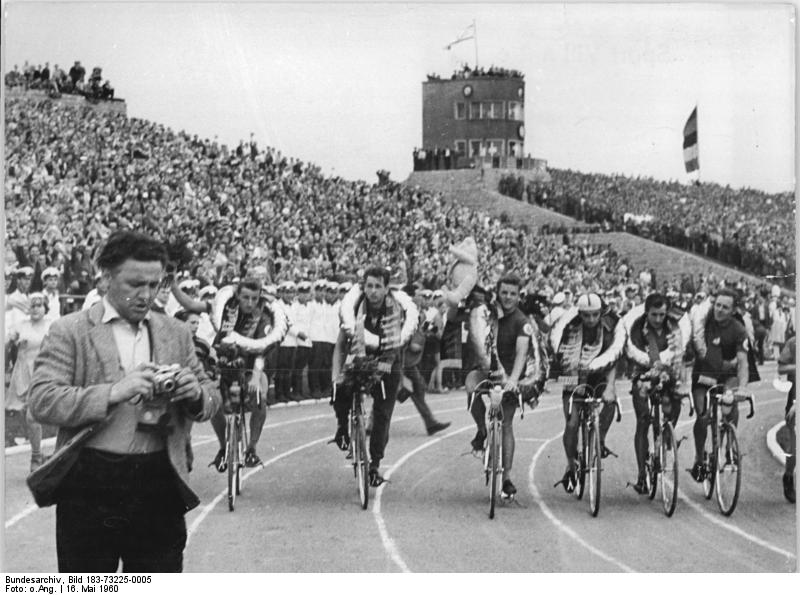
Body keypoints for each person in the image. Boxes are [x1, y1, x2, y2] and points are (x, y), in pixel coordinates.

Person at [28, 230, 220, 573]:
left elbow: (211, 397)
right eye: (134, 284)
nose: (146, 294)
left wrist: (196, 394)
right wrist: (114, 392)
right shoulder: (69, 330)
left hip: (159, 477)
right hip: (91, 479)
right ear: (106, 278)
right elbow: (42, 400)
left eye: (154, 284)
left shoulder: (175, 332)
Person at [332, 266, 418, 487]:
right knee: (340, 390)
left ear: (386, 288)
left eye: (378, 286)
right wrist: (336, 375)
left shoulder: (396, 310)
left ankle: (375, 465)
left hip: (388, 362)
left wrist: (380, 369)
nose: (373, 291)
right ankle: (342, 427)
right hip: (359, 357)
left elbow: (396, 349)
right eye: (369, 286)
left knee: (382, 414)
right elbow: (341, 344)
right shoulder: (354, 307)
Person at [465, 274, 545, 498]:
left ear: (518, 296)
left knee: (507, 423)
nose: (508, 297)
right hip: (486, 370)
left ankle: (507, 477)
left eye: (512, 293)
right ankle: (482, 430)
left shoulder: (522, 322)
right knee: (470, 387)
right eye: (504, 293)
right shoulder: (489, 312)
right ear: (498, 293)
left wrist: (513, 380)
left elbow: (521, 354)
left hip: (510, 375)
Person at [207, 277, 288, 469]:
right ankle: (222, 446)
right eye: (245, 297)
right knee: (212, 398)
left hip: (254, 363)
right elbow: (192, 305)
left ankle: (252, 448)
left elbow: (262, 349)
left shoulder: (264, 315)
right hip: (225, 359)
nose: (250, 303)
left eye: (254, 298)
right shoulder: (227, 307)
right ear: (237, 295)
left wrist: (256, 376)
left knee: (260, 397)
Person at [550, 292, 626, 493]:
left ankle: (599, 440)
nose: (591, 320)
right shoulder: (569, 329)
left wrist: (610, 388)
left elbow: (613, 360)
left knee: (610, 402)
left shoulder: (609, 330)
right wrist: (572, 382)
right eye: (586, 315)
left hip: (599, 376)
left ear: (600, 314)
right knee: (572, 422)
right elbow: (561, 361)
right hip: (573, 377)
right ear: (580, 315)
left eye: (594, 315)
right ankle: (570, 463)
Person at [621, 293, 690, 494]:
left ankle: (666, 434)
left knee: (676, 402)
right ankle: (642, 474)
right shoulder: (636, 329)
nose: (658, 319)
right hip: (643, 374)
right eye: (654, 315)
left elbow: (685, 351)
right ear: (647, 313)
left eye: (662, 314)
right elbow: (631, 353)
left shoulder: (674, 328)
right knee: (643, 420)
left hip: (669, 373)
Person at [688, 288, 751, 482]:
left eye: (725, 307)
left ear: (733, 311)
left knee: (731, 401)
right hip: (703, 376)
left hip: (726, 377)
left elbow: (742, 362)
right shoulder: (705, 321)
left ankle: (728, 446)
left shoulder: (738, 329)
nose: (720, 310)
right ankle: (699, 457)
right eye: (718, 305)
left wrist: (743, 387)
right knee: (704, 416)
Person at [5, 292, 54, 470]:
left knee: (39, 416)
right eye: (32, 305)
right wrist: (12, 345)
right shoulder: (20, 326)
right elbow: (7, 346)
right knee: (31, 417)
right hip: (25, 374)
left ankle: (45, 456)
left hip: (46, 374)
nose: (35, 309)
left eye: (39, 305)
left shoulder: (52, 325)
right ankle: (36, 455)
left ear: (45, 307)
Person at [397, 285, 451, 436]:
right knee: (405, 389)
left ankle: (430, 422)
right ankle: (430, 422)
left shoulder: (418, 313)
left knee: (416, 388)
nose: (421, 297)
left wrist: (433, 332)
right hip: (403, 359)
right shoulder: (405, 313)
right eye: (418, 295)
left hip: (411, 359)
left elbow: (426, 328)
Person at [777, 336, 795, 503]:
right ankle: (789, 476)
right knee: (795, 447)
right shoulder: (793, 343)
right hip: (795, 401)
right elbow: (781, 369)